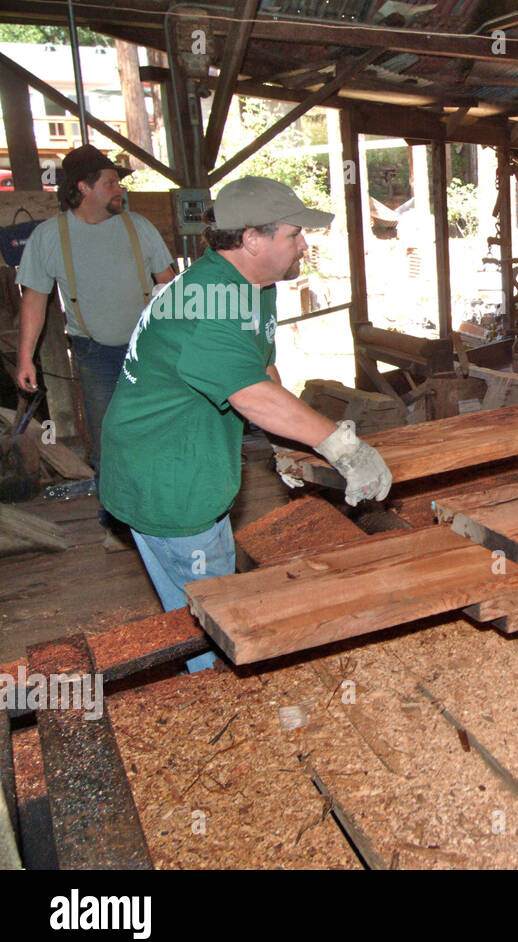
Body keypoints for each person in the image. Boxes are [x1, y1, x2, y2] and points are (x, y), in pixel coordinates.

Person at [99, 177, 393, 669]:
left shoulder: (251, 287)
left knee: (207, 596)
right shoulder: (207, 306)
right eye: (294, 234)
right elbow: (255, 397)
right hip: (167, 478)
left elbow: (264, 373)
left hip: (188, 460)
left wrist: (288, 445)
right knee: (213, 612)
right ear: (253, 239)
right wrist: (347, 451)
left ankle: (212, 678)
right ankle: (216, 696)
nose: (304, 244)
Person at [14, 145, 176, 549]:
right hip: (94, 352)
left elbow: (170, 285)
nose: (118, 189)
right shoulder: (50, 236)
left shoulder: (138, 226)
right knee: (108, 439)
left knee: (160, 430)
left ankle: (168, 512)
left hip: (151, 347)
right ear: (84, 187)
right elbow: (34, 299)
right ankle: (117, 526)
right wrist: (24, 358)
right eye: (110, 182)